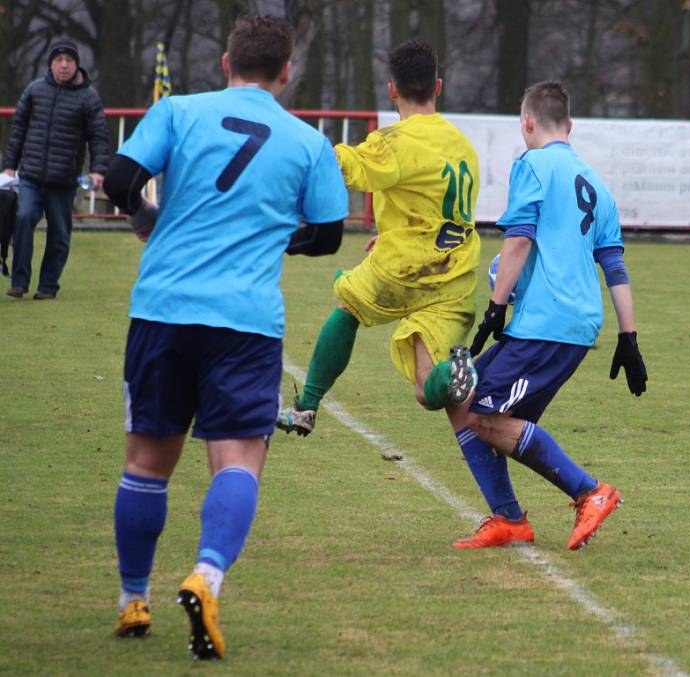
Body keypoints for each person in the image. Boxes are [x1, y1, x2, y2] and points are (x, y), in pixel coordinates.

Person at [102, 16, 348, 660]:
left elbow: (119, 181)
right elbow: (326, 235)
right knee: (238, 461)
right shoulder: (306, 140)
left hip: (163, 308)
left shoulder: (178, 111)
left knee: (146, 466)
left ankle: (133, 599)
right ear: (286, 71)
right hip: (244, 321)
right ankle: (206, 576)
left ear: (224, 63)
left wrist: (150, 218)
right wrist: (269, 235)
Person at [448, 80, 648, 551]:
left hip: (547, 323)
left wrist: (496, 306)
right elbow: (614, 264)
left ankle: (590, 491)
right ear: (571, 125)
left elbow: (519, 239)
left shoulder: (532, 163)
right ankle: (509, 519)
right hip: (572, 323)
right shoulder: (596, 183)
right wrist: (629, 338)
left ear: (527, 123)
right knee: (463, 401)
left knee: (483, 416)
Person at [278, 40, 480, 439]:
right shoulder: (464, 145)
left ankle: (306, 407)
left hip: (405, 268)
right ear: (437, 86)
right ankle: (464, 371)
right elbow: (438, 206)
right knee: (427, 389)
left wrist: (301, 147)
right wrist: (390, 233)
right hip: (456, 275)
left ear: (392, 89)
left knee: (348, 305)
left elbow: (345, 167)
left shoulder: (394, 142)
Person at [3, 38, 109, 300]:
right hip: (30, 175)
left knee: (59, 234)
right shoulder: (34, 91)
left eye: (69, 61)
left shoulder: (89, 98)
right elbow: (18, 131)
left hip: (63, 179)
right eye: (58, 60)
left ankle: (48, 286)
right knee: (24, 218)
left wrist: (98, 170)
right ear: (50, 64)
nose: (63, 65)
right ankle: (19, 281)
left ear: (76, 65)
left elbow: (99, 137)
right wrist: (9, 166)